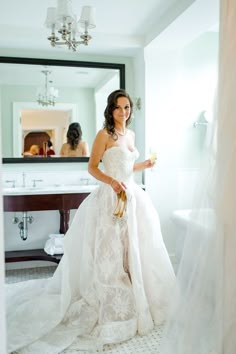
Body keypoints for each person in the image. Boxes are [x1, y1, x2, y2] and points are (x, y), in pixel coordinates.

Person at [6, 89, 175, 353]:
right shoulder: (103, 135)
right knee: (110, 255)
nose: (124, 112)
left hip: (132, 197)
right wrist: (112, 182)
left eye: (128, 107)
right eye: (119, 108)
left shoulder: (129, 135)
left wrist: (144, 166)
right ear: (111, 109)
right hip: (110, 198)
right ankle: (112, 301)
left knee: (135, 250)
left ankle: (139, 295)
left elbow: (128, 167)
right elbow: (93, 167)